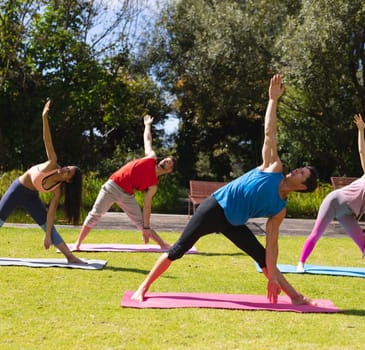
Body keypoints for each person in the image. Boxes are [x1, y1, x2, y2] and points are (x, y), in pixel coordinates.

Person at [131, 73, 319, 305]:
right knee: (178, 249)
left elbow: (272, 246)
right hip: (214, 208)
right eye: (300, 169)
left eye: (301, 174)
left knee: (262, 257)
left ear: (301, 187)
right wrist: (273, 100)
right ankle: (142, 288)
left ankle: (296, 297)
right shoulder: (273, 167)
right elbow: (270, 134)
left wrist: (271, 277)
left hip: (234, 222)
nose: (296, 171)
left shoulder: (279, 209)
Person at [0, 100, 86, 264]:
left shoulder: (57, 189)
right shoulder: (53, 163)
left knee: (48, 227)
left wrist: (47, 237)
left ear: (69, 180)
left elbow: (50, 215)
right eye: (67, 167)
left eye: (68, 172)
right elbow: (47, 141)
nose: (64, 169)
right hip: (17, 190)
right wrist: (44, 117)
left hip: (31, 198)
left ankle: (71, 257)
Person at [297, 114, 365, 274]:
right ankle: (301, 263)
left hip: (347, 214)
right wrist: (361, 130)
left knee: (362, 242)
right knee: (317, 233)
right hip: (334, 201)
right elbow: (362, 152)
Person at [74, 114, 176, 250]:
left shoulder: (153, 186)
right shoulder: (151, 158)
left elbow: (147, 207)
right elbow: (147, 140)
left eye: (168, 163)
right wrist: (147, 125)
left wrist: (145, 228)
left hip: (127, 195)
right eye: (165, 159)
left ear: (169, 170)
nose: (164, 161)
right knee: (95, 214)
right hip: (112, 186)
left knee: (141, 223)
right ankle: (78, 244)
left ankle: (163, 245)